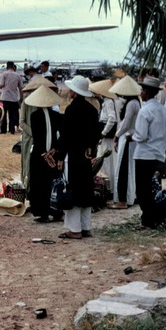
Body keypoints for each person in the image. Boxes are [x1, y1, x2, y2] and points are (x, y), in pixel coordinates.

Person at [54, 75, 100, 240]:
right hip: (86, 154)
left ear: (74, 91)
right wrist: (91, 150)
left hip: (73, 154)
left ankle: (74, 229)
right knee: (86, 189)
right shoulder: (92, 110)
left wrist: (60, 156)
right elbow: (96, 134)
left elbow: (66, 136)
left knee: (72, 189)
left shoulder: (71, 110)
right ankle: (85, 226)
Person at [133, 76, 166, 228]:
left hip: (144, 155)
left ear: (147, 92)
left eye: (142, 90)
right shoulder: (164, 111)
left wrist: (131, 136)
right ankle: (154, 216)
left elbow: (141, 136)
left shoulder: (145, 111)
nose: (141, 92)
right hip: (159, 154)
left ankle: (148, 219)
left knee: (142, 190)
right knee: (154, 188)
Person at [24, 85, 63, 222]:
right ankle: (53, 209)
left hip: (39, 154)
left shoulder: (35, 116)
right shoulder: (57, 116)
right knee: (50, 183)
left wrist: (44, 154)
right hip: (52, 153)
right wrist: (54, 149)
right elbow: (62, 135)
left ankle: (42, 211)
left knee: (38, 183)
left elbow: (37, 136)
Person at [19, 76, 59, 193]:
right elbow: (22, 122)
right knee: (28, 165)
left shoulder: (48, 102)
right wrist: (34, 133)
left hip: (45, 139)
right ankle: (29, 191)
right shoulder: (26, 101)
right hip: (29, 138)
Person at [108, 75, 142, 209]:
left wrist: (116, 135)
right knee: (128, 169)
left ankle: (122, 199)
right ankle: (127, 197)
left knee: (124, 169)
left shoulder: (132, 103)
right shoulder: (135, 102)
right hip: (131, 138)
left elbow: (126, 123)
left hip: (128, 138)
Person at [89, 78, 118, 185]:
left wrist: (103, 132)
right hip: (105, 136)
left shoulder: (109, 102)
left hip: (107, 137)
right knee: (103, 161)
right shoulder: (105, 102)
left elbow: (112, 118)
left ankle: (108, 185)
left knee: (106, 161)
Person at [0, 61, 24, 134]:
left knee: (3, 114)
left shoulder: (4, 74)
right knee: (12, 115)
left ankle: (3, 130)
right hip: (14, 98)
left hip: (4, 97)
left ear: (7, 66)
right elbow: (21, 88)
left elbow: (1, 85)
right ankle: (11, 129)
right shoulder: (17, 75)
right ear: (13, 66)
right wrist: (21, 98)